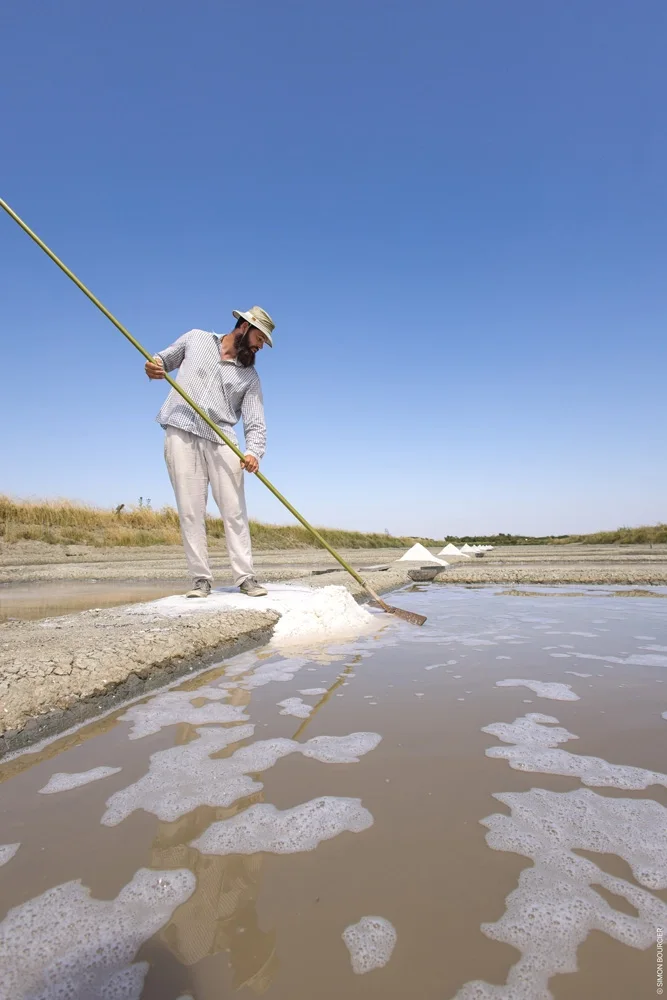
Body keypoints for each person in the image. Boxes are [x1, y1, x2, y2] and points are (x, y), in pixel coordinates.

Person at [145, 306, 274, 598]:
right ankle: (201, 580)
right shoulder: (195, 338)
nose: (259, 347)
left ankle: (246, 578)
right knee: (190, 510)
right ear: (244, 326)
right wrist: (153, 367)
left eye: (264, 343)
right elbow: (162, 361)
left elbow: (255, 422)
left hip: (222, 438)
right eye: (259, 338)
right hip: (180, 428)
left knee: (235, 510)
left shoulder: (250, 377)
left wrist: (254, 452)